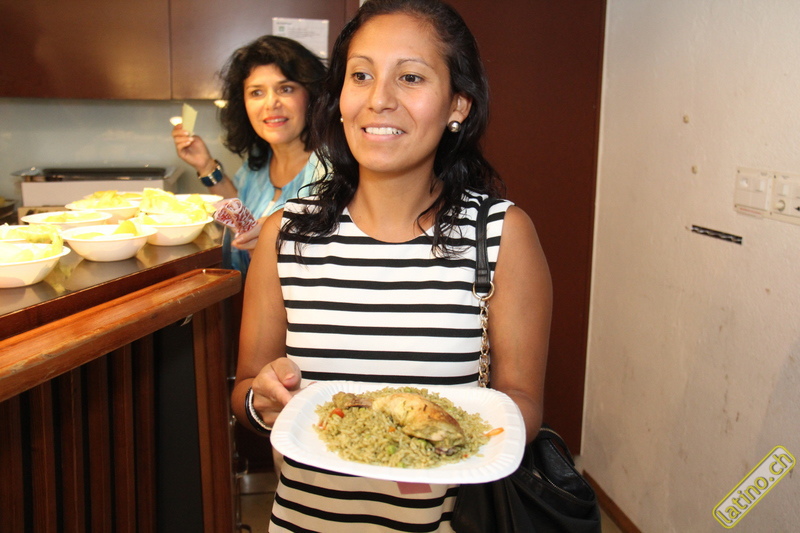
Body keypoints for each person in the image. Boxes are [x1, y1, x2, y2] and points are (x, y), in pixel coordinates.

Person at [233, 0, 553, 531]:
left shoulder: (501, 235)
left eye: (410, 77)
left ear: (458, 104)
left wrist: (435, 441)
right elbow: (246, 389)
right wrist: (259, 400)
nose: (378, 99)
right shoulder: (284, 234)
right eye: (361, 76)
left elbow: (523, 403)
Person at [171, 35, 327, 275]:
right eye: (256, 93)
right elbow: (241, 218)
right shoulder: (258, 160)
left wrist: (273, 238)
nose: (271, 103)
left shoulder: (332, 168)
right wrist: (205, 165)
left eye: (285, 89)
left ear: (311, 95)